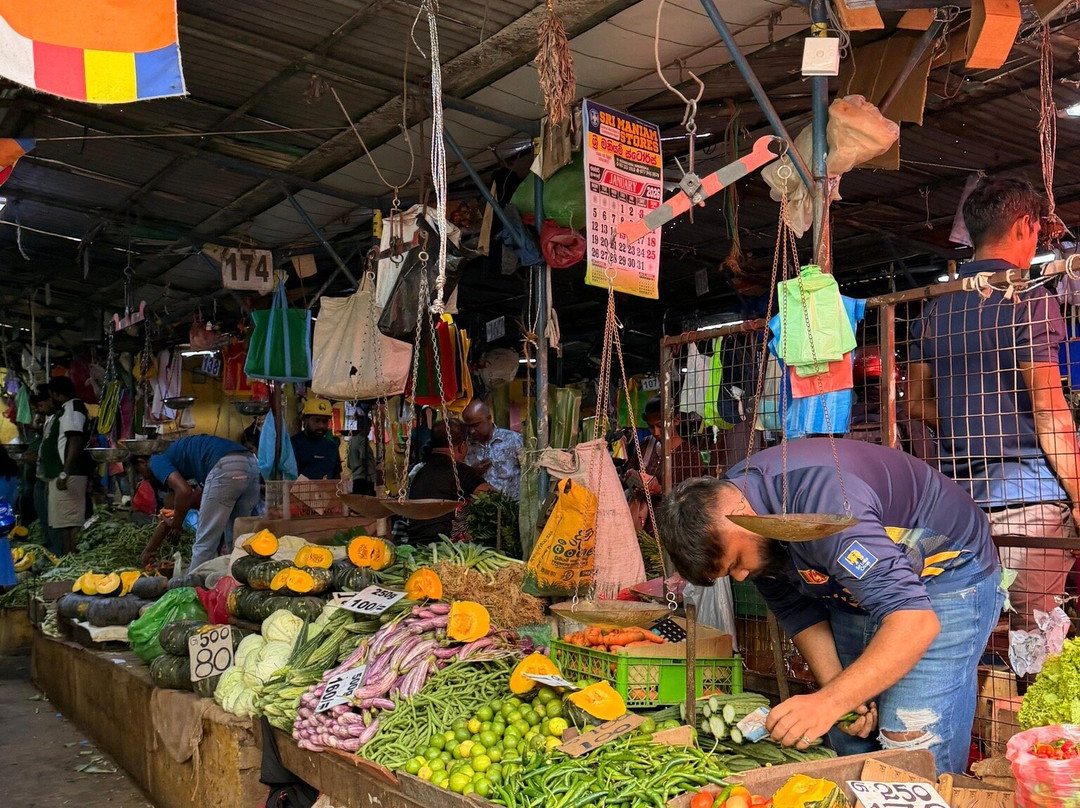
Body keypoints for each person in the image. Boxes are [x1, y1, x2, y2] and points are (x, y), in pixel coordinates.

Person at [658, 438, 1003, 776]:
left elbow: (914, 621)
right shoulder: (747, 522)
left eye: (736, 563)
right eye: (729, 573)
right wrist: (840, 694)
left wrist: (829, 702)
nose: (743, 575)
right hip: (856, 583)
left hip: (947, 572)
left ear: (741, 515)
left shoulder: (823, 508)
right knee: (848, 730)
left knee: (908, 742)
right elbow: (798, 612)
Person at [906, 176, 1080, 631]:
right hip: (1030, 505)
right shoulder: (1029, 300)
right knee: (1038, 642)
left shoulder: (932, 309)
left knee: (966, 639)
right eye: (1039, 231)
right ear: (1025, 225)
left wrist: (971, 425)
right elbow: (1050, 411)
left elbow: (917, 405)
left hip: (958, 509)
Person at [133, 435, 260, 570]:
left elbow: (184, 491)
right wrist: (150, 550)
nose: (143, 477)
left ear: (142, 462)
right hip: (250, 463)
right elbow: (179, 505)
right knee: (238, 539)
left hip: (226, 466)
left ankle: (193, 587)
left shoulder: (156, 460)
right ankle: (236, 582)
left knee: (205, 543)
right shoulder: (180, 458)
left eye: (139, 472)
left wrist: (177, 525)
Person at [625, 397, 708, 533]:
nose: (656, 433)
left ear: (675, 421)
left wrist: (660, 490)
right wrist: (632, 480)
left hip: (672, 529)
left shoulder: (690, 454)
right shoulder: (646, 445)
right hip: (641, 526)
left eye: (660, 425)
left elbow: (692, 495)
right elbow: (627, 475)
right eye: (651, 427)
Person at [403, 419, 491, 544]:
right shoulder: (460, 471)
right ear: (462, 446)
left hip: (416, 546)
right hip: (446, 550)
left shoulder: (420, 472)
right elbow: (494, 498)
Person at [40, 376, 92, 553]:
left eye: (51, 395)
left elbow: (75, 440)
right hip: (61, 474)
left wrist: (65, 472)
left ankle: (74, 558)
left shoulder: (73, 408)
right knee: (64, 522)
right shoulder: (65, 410)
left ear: (57, 394)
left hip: (70, 474)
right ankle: (69, 557)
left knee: (71, 520)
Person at [462, 399, 522, 500]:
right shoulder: (465, 447)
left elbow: (530, 474)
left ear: (489, 418)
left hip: (513, 509)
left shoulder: (514, 440)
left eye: (476, 425)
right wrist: (474, 472)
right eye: (468, 426)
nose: (472, 431)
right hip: (480, 510)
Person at [291, 398, 341, 480]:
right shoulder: (293, 444)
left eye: (325, 421)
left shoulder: (331, 447)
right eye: (316, 420)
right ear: (305, 419)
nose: (321, 426)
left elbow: (336, 478)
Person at [348, 412, 377, 496]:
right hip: (365, 479)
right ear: (365, 427)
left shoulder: (352, 440)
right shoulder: (362, 441)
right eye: (369, 427)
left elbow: (348, 463)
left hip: (356, 478)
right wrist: (369, 472)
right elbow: (363, 458)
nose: (369, 430)